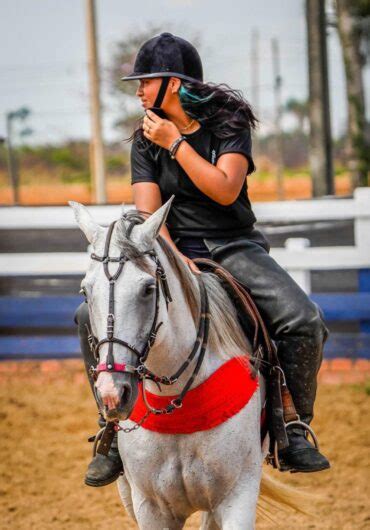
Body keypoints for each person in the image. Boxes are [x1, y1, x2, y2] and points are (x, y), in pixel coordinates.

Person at [75, 32, 330, 488]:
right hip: (171, 249)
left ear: (171, 84)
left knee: (303, 319)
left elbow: (226, 189)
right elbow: (149, 211)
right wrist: (174, 259)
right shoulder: (144, 139)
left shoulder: (229, 123)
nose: (137, 91)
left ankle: (292, 425)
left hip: (235, 246)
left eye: (145, 81)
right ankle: (112, 428)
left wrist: (176, 144)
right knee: (84, 315)